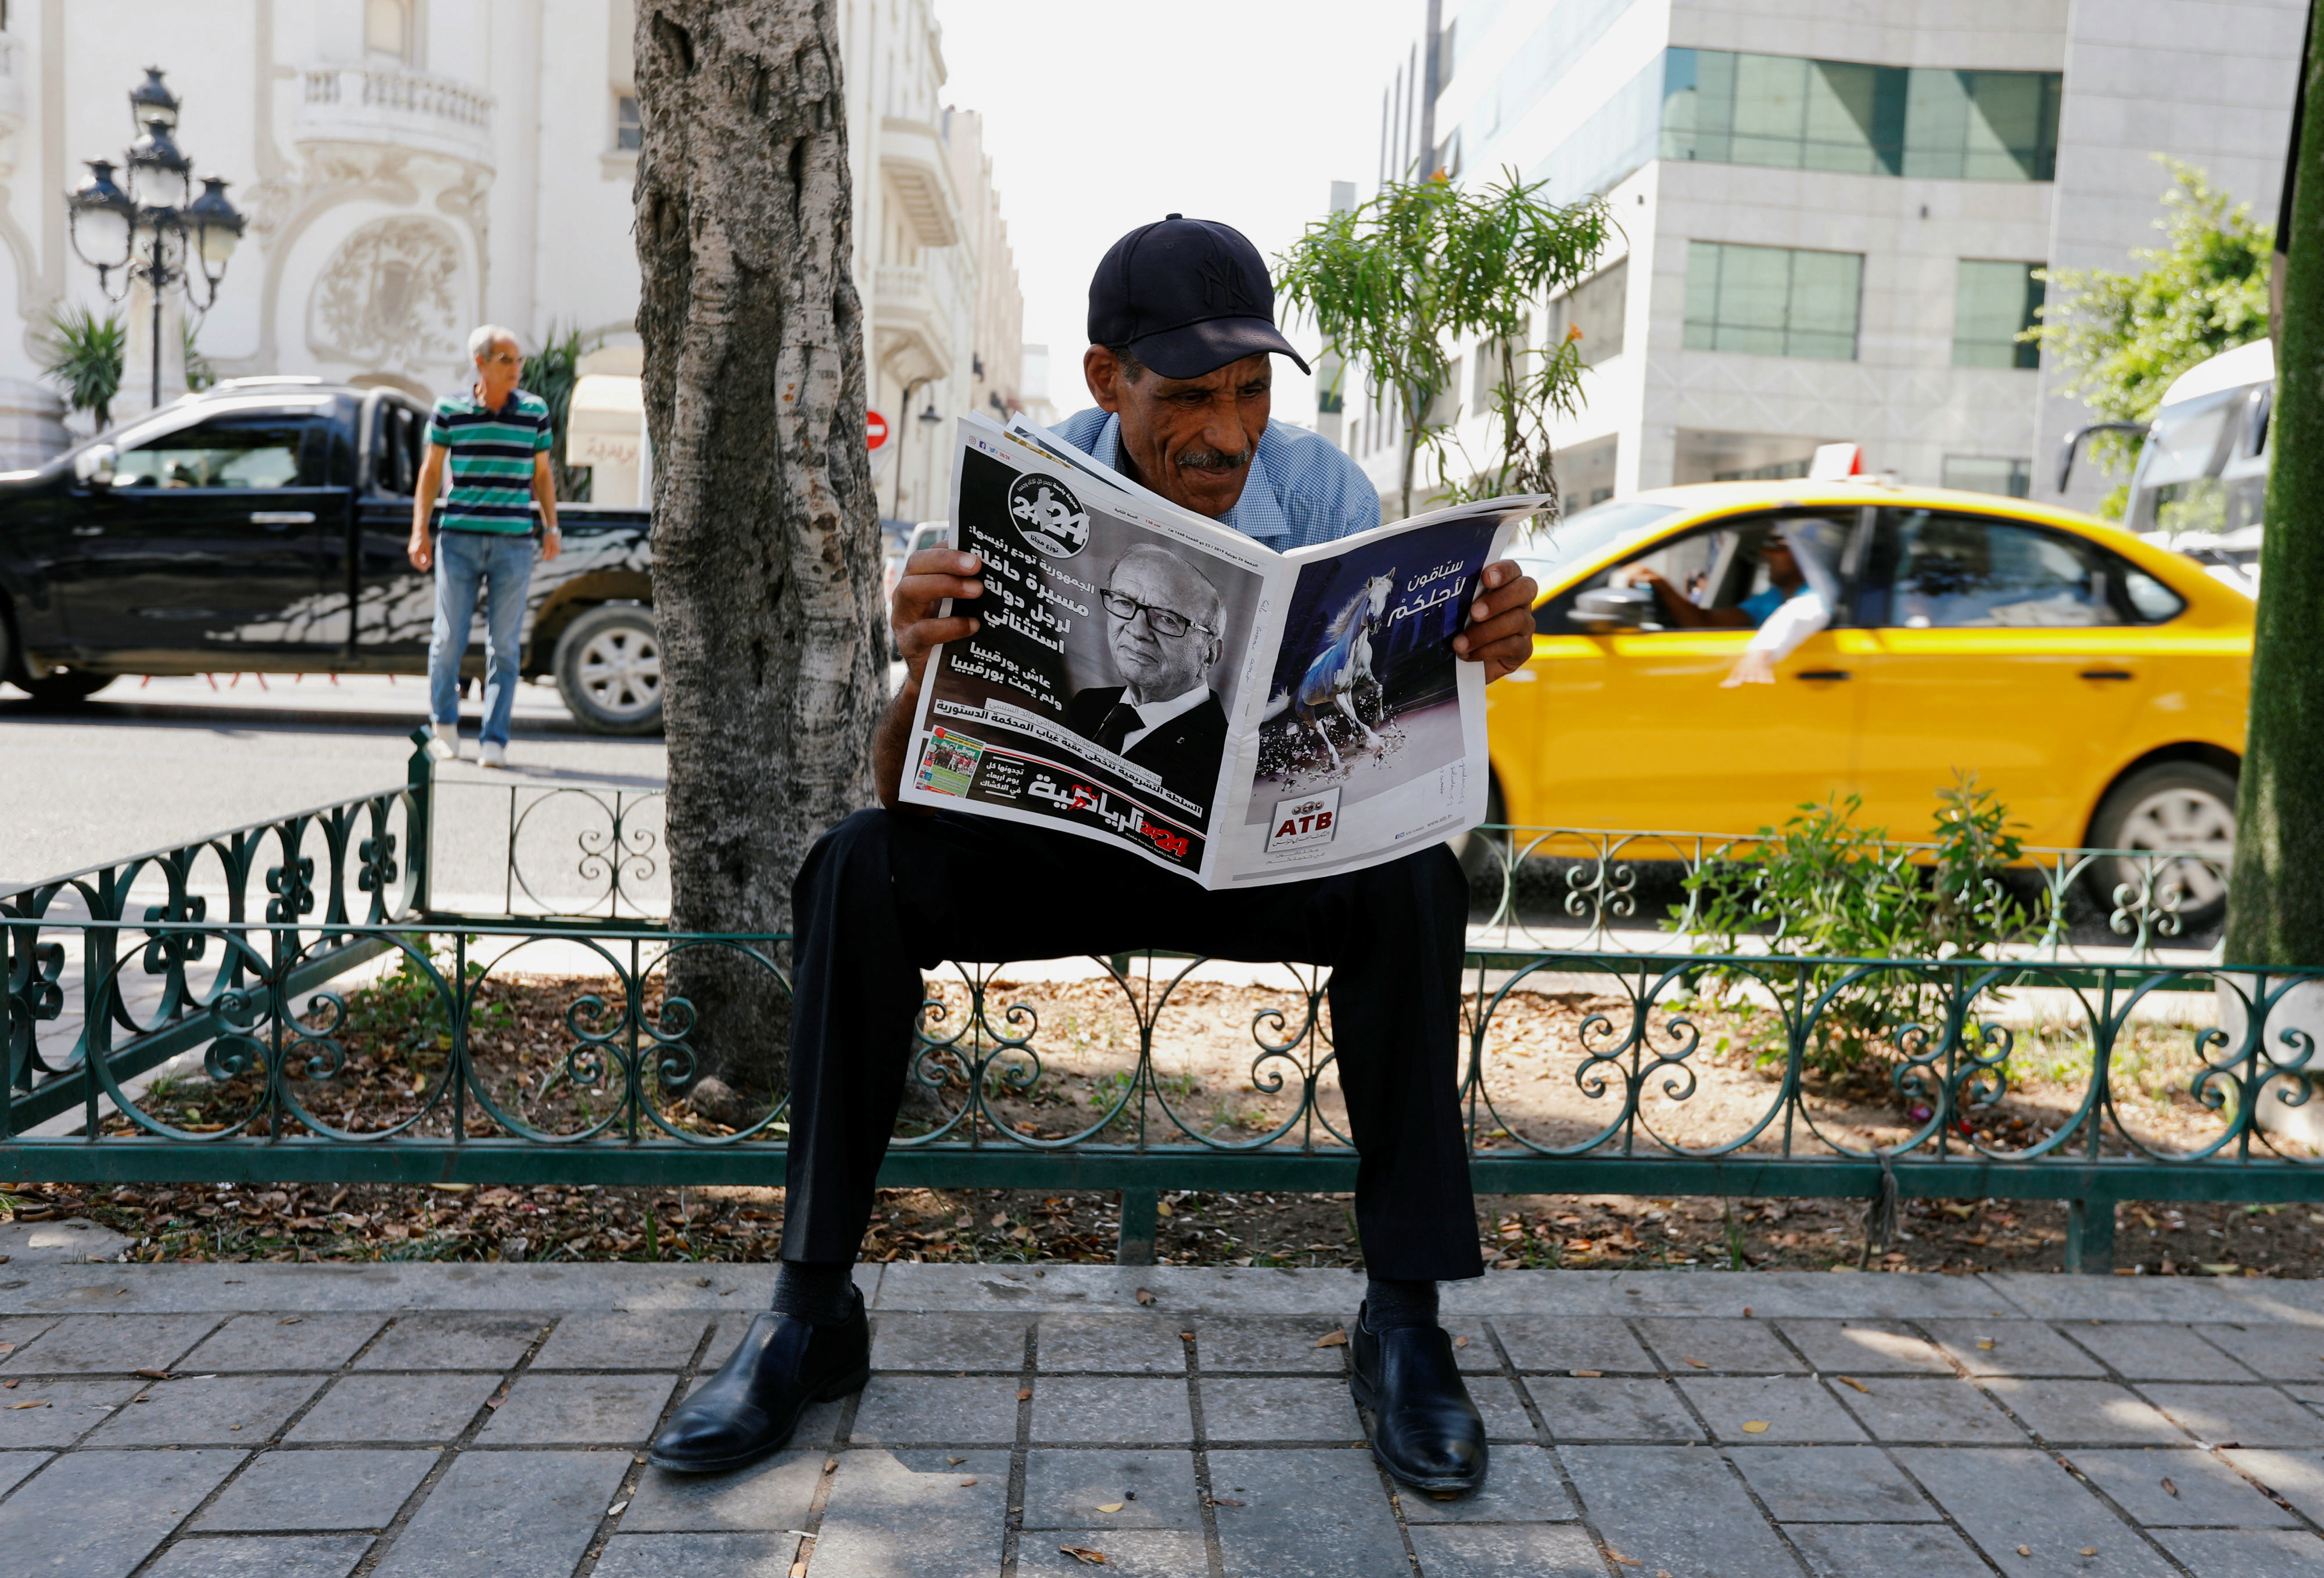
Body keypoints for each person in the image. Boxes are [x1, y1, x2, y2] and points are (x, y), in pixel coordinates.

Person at [648, 216, 1540, 1496]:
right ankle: (808, 1309)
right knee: (856, 864)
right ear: (1103, 378)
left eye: (1249, 392)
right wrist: (921, 671)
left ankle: (1404, 1321)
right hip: (1069, 850)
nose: (1225, 435)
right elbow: (906, 788)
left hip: (1256, 868)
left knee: (1416, 886)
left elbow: (1381, 770)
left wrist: (1466, 653)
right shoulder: (1007, 497)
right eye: (1186, 398)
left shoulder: (1325, 492)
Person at [407, 325, 561, 769]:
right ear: (481, 363)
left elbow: (544, 475)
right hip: (458, 539)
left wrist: (552, 527)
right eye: (506, 361)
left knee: (506, 646)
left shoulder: (534, 411)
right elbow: (431, 473)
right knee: (448, 639)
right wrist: (420, 531)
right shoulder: (450, 410)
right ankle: (446, 727)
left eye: (519, 361)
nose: (517, 370)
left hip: (514, 542)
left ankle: (495, 739)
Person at [1065, 543, 1232, 808]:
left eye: (1167, 619)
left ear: (1210, 654)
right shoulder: (1086, 705)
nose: (1136, 630)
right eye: (1123, 602)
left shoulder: (1225, 759)